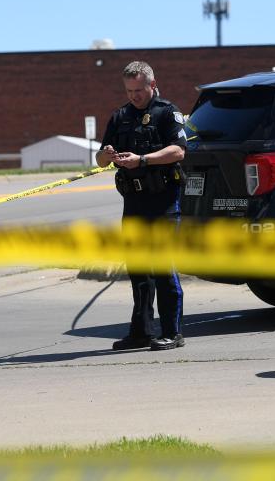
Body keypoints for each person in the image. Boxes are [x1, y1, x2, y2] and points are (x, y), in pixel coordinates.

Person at [96, 61, 187, 352]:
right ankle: (142, 332)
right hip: (133, 201)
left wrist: (143, 160)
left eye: (138, 89)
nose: (133, 95)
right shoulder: (120, 116)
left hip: (162, 200)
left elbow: (178, 150)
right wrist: (106, 154)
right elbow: (99, 159)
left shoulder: (166, 112)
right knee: (138, 269)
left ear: (152, 83)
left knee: (162, 266)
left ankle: (172, 332)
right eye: (129, 90)